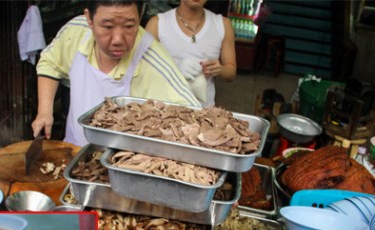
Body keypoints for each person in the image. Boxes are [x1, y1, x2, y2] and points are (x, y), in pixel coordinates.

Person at [32, 0, 200, 146]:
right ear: (89, 18)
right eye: (107, 27)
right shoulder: (76, 31)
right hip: (74, 151)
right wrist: (45, 111)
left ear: (140, 16)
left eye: (129, 26)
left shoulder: (153, 60)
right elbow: (50, 64)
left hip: (125, 166)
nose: (118, 39)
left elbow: (192, 116)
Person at [145, 0, 237, 107]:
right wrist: (173, 68)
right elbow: (143, 71)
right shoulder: (158, 24)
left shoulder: (222, 24)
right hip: (166, 111)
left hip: (203, 113)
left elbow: (231, 72)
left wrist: (219, 69)